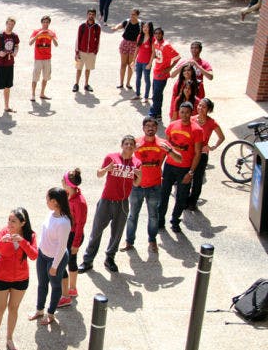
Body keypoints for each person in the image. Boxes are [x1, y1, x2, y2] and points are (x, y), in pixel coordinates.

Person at [78, 136, 143, 274]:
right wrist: (108, 168)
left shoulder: (136, 162)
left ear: (134, 147)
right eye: (126, 144)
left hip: (122, 203)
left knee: (117, 233)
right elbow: (99, 174)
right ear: (122, 145)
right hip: (106, 201)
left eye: (131, 144)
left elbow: (137, 183)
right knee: (96, 231)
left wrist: (140, 175)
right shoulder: (111, 157)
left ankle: (110, 258)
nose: (129, 146)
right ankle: (88, 261)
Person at [123, 118, 182, 254]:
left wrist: (170, 151)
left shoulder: (163, 143)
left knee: (153, 216)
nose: (150, 128)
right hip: (137, 186)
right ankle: (129, 241)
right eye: (147, 126)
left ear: (156, 129)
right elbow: (122, 158)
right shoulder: (135, 143)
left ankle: (152, 240)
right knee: (132, 215)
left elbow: (179, 158)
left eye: (153, 126)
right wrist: (131, 151)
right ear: (143, 128)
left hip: (154, 186)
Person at [0, 207, 37, 350]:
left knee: (14, 308)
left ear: (22, 223)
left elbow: (34, 256)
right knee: (0, 308)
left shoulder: (30, 235)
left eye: (13, 221)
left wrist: (22, 242)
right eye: (9, 220)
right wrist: (1, 242)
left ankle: (9, 338)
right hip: (1, 277)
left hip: (21, 278)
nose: (9, 223)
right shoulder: (2, 233)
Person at [29, 188, 72, 325]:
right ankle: (39, 310)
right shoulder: (51, 214)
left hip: (55, 259)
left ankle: (51, 313)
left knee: (55, 286)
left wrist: (54, 266)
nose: (46, 202)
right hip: (43, 255)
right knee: (42, 284)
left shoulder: (64, 223)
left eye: (47, 199)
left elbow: (62, 247)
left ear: (54, 202)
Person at [159, 103, 203, 233]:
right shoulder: (172, 125)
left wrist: (191, 172)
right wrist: (160, 165)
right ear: (179, 112)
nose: (184, 115)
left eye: (187, 112)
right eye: (182, 112)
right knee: (164, 194)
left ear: (191, 113)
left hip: (185, 168)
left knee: (181, 197)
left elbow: (197, 153)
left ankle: (175, 221)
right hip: (169, 166)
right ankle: (160, 220)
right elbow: (165, 147)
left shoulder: (196, 130)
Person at [57, 169, 87, 308]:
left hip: (73, 236)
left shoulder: (79, 202)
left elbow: (80, 224)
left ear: (68, 184)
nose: (61, 182)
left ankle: (66, 295)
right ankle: (72, 289)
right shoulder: (67, 195)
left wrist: (75, 244)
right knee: (70, 261)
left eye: (63, 181)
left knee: (64, 263)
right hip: (67, 233)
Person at [188, 98, 224, 211]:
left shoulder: (212, 122)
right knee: (187, 177)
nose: (200, 108)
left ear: (208, 109)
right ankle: (185, 200)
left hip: (202, 154)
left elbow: (221, 137)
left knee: (198, 179)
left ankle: (193, 202)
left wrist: (212, 147)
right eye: (199, 105)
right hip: (189, 153)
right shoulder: (191, 119)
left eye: (203, 107)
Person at [148, 28, 180, 121]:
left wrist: (169, 68)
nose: (157, 35)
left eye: (159, 34)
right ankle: (158, 114)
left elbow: (177, 57)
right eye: (156, 34)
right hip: (156, 72)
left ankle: (153, 113)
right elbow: (156, 54)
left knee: (156, 95)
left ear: (162, 34)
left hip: (162, 74)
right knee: (156, 94)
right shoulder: (156, 43)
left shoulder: (166, 45)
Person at [29, 15, 58, 101]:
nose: (45, 24)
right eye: (44, 22)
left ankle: (42, 93)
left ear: (49, 23)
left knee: (45, 77)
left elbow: (56, 44)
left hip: (47, 58)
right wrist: (37, 35)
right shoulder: (36, 31)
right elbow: (30, 43)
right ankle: (33, 95)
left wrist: (52, 37)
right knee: (35, 77)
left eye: (47, 22)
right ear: (41, 23)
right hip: (38, 58)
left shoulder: (51, 32)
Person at [111, 9, 140, 89]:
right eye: (131, 14)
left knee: (130, 64)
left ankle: (128, 83)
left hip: (134, 45)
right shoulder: (127, 22)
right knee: (123, 64)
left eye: (134, 14)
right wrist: (115, 28)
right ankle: (121, 83)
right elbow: (120, 25)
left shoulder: (140, 24)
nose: (132, 16)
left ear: (137, 15)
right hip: (125, 43)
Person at [73, 9, 101, 93]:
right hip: (81, 51)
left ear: (95, 16)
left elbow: (98, 39)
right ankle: (76, 84)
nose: (91, 16)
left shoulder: (97, 27)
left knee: (88, 69)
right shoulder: (82, 26)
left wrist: (96, 50)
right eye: (89, 14)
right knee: (79, 68)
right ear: (87, 15)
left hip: (91, 52)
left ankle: (86, 84)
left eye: (92, 14)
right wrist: (77, 52)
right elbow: (78, 38)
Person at [131, 21, 154, 102]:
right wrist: (133, 60)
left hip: (146, 62)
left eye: (147, 27)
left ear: (150, 28)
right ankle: (137, 94)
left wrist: (150, 63)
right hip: (139, 61)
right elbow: (137, 49)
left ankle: (146, 96)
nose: (145, 29)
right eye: (144, 27)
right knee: (138, 78)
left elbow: (153, 52)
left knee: (147, 79)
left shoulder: (152, 38)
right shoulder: (140, 36)